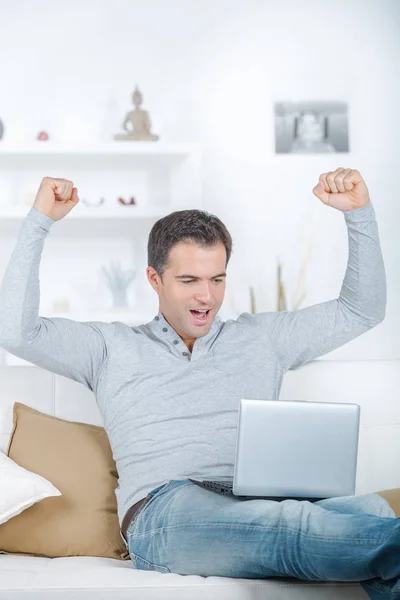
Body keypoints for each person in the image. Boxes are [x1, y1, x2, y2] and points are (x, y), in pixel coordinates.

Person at [0, 169, 398, 599]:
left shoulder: (263, 338)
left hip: (262, 505)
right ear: (155, 279)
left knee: (369, 511)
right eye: (189, 281)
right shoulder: (109, 346)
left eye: (217, 279)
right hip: (166, 514)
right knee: (301, 525)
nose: (206, 297)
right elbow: (15, 330)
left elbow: (362, 310)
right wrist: (40, 219)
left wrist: (358, 214)